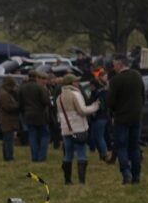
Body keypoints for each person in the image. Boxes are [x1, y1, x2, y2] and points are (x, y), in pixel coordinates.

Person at [106, 56, 143, 184]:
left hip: (121, 118)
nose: (114, 68)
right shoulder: (137, 76)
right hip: (136, 116)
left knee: (122, 146)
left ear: (120, 65)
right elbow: (142, 94)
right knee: (134, 147)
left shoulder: (115, 81)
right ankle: (136, 175)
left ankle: (126, 173)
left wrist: (113, 111)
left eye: (115, 65)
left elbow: (110, 102)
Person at [55, 75, 97, 185]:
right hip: (78, 127)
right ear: (71, 83)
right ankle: (81, 181)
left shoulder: (59, 97)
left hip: (65, 128)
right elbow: (82, 111)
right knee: (82, 152)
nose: (78, 83)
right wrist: (95, 106)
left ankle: (67, 180)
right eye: (76, 81)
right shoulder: (76, 94)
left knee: (68, 154)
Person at [19, 72, 53, 163]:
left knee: (32, 136)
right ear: (36, 77)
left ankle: (34, 157)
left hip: (28, 115)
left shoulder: (22, 88)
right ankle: (41, 156)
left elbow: (19, 102)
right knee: (44, 136)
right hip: (40, 115)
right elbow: (46, 101)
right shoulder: (39, 88)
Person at [0, 77, 21, 161]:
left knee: (8, 139)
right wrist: (18, 106)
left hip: (7, 119)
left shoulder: (4, 92)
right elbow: (8, 107)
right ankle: (8, 157)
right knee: (8, 140)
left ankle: (7, 156)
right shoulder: (4, 94)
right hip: (8, 120)